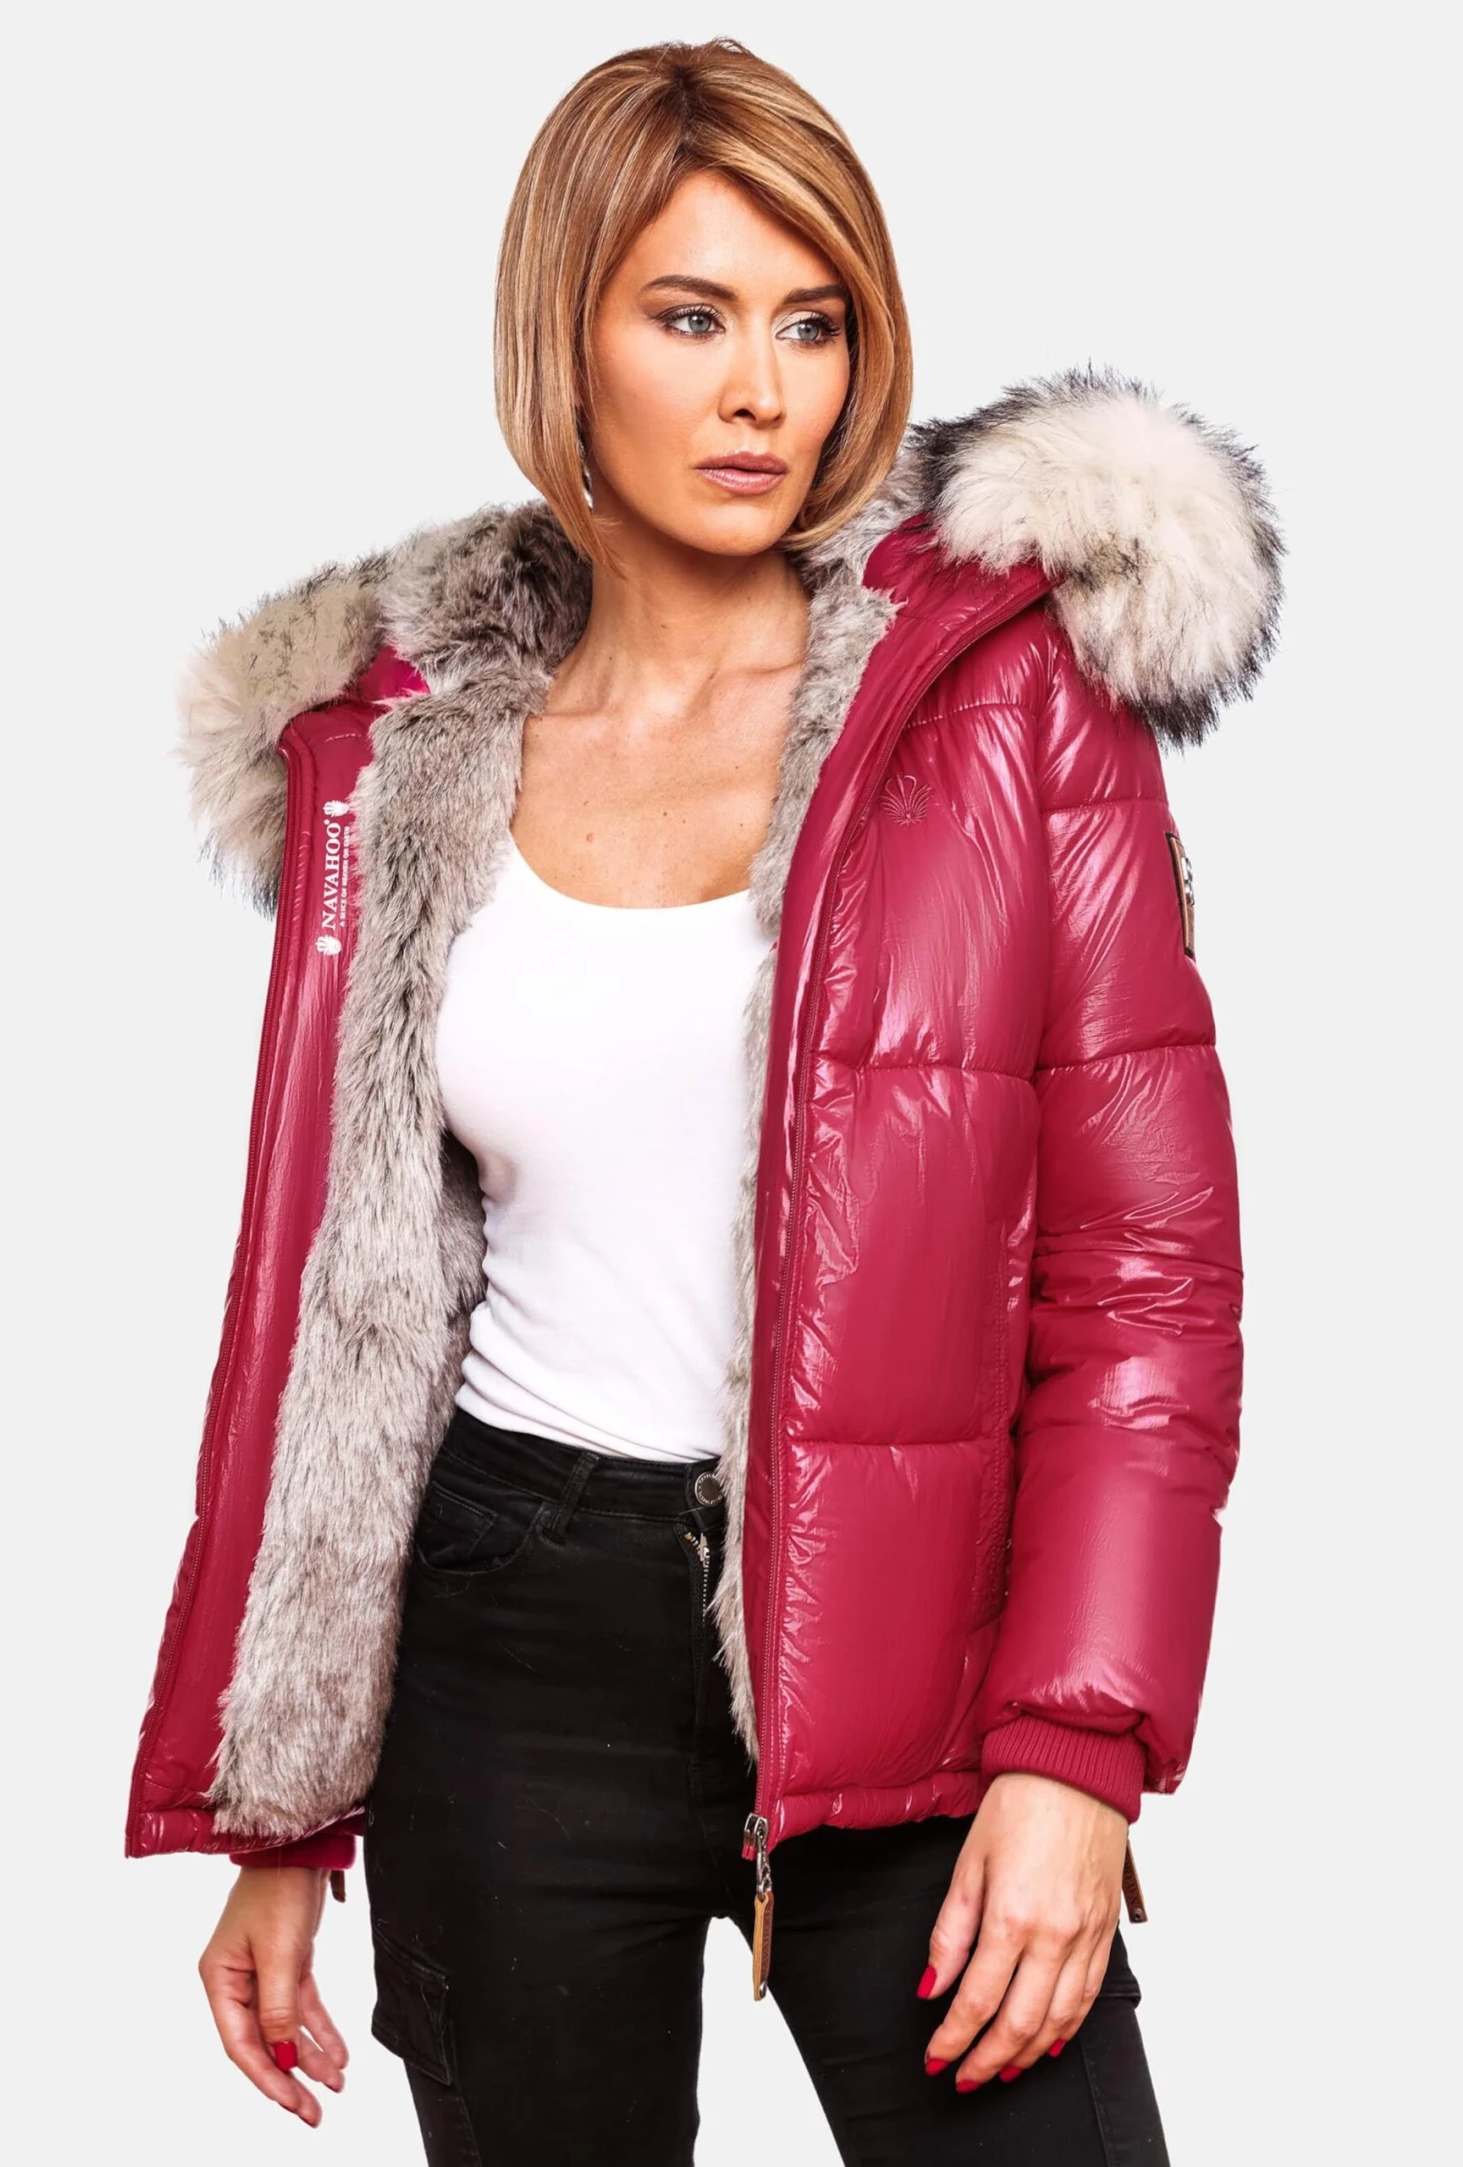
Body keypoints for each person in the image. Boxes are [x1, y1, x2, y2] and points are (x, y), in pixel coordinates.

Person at [127, 37, 1283, 2165]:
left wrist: (1077, 1750)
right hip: (507, 1644)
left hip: (923, 1652)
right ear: (566, 336)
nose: (763, 392)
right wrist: (279, 1805)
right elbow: (336, 1298)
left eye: (811, 323)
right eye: (690, 317)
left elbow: (1147, 1278)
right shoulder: (399, 742)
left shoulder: (1004, 700)